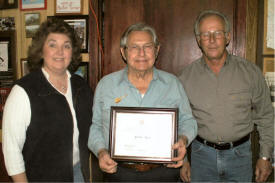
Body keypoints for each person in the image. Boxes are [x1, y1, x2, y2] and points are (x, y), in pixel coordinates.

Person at [88, 23, 197, 182]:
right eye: (134, 47)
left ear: (157, 50)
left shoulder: (173, 84)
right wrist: (101, 152)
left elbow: (189, 121)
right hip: (119, 173)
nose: (141, 53)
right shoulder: (106, 85)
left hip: (163, 173)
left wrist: (183, 140)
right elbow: (96, 126)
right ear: (123, 52)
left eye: (148, 46)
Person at [179, 10, 274, 182]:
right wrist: (183, 160)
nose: (212, 40)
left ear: (228, 37)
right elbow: (179, 121)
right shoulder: (185, 78)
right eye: (206, 34)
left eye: (218, 33)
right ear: (198, 40)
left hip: (241, 157)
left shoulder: (251, 73)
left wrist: (265, 157)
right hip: (201, 157)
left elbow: (266, 117)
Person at [2, 18, 93, 182]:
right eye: (52, 45)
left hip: (80, 173)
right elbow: (11, 150)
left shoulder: (81, 86)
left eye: (66, 46)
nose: (60, 52)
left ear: (72, 52)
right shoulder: (23, 91)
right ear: (41, 50)